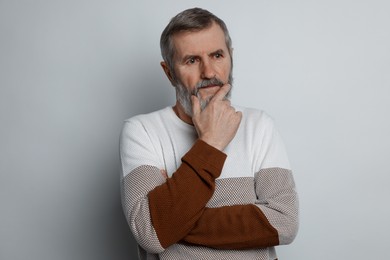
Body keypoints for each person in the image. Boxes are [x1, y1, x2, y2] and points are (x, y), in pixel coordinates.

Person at [120, 7, 299, 260]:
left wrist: (171, 221)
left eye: (217, 55)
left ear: (231, 58)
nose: (209, 72)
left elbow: (285, 221)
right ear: (169, 72)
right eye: (192, 60)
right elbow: (150, 233)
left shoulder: (259, 125)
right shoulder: (142, 131)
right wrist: (211, 143)